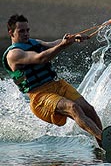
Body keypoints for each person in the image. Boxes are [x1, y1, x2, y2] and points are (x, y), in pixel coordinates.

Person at [2, 14, 103, 147]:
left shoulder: (34, 42)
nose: (26, 34)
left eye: (27, 30)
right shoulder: (14, 54)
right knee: (73, 108)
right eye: (21, 31)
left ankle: (104, 142)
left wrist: (72, 39)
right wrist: (63, 45)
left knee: (89, 110)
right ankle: (103, 138)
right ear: (11, 32)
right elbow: (41, 58)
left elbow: (52, 44)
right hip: (40, 97)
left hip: (57, 85)